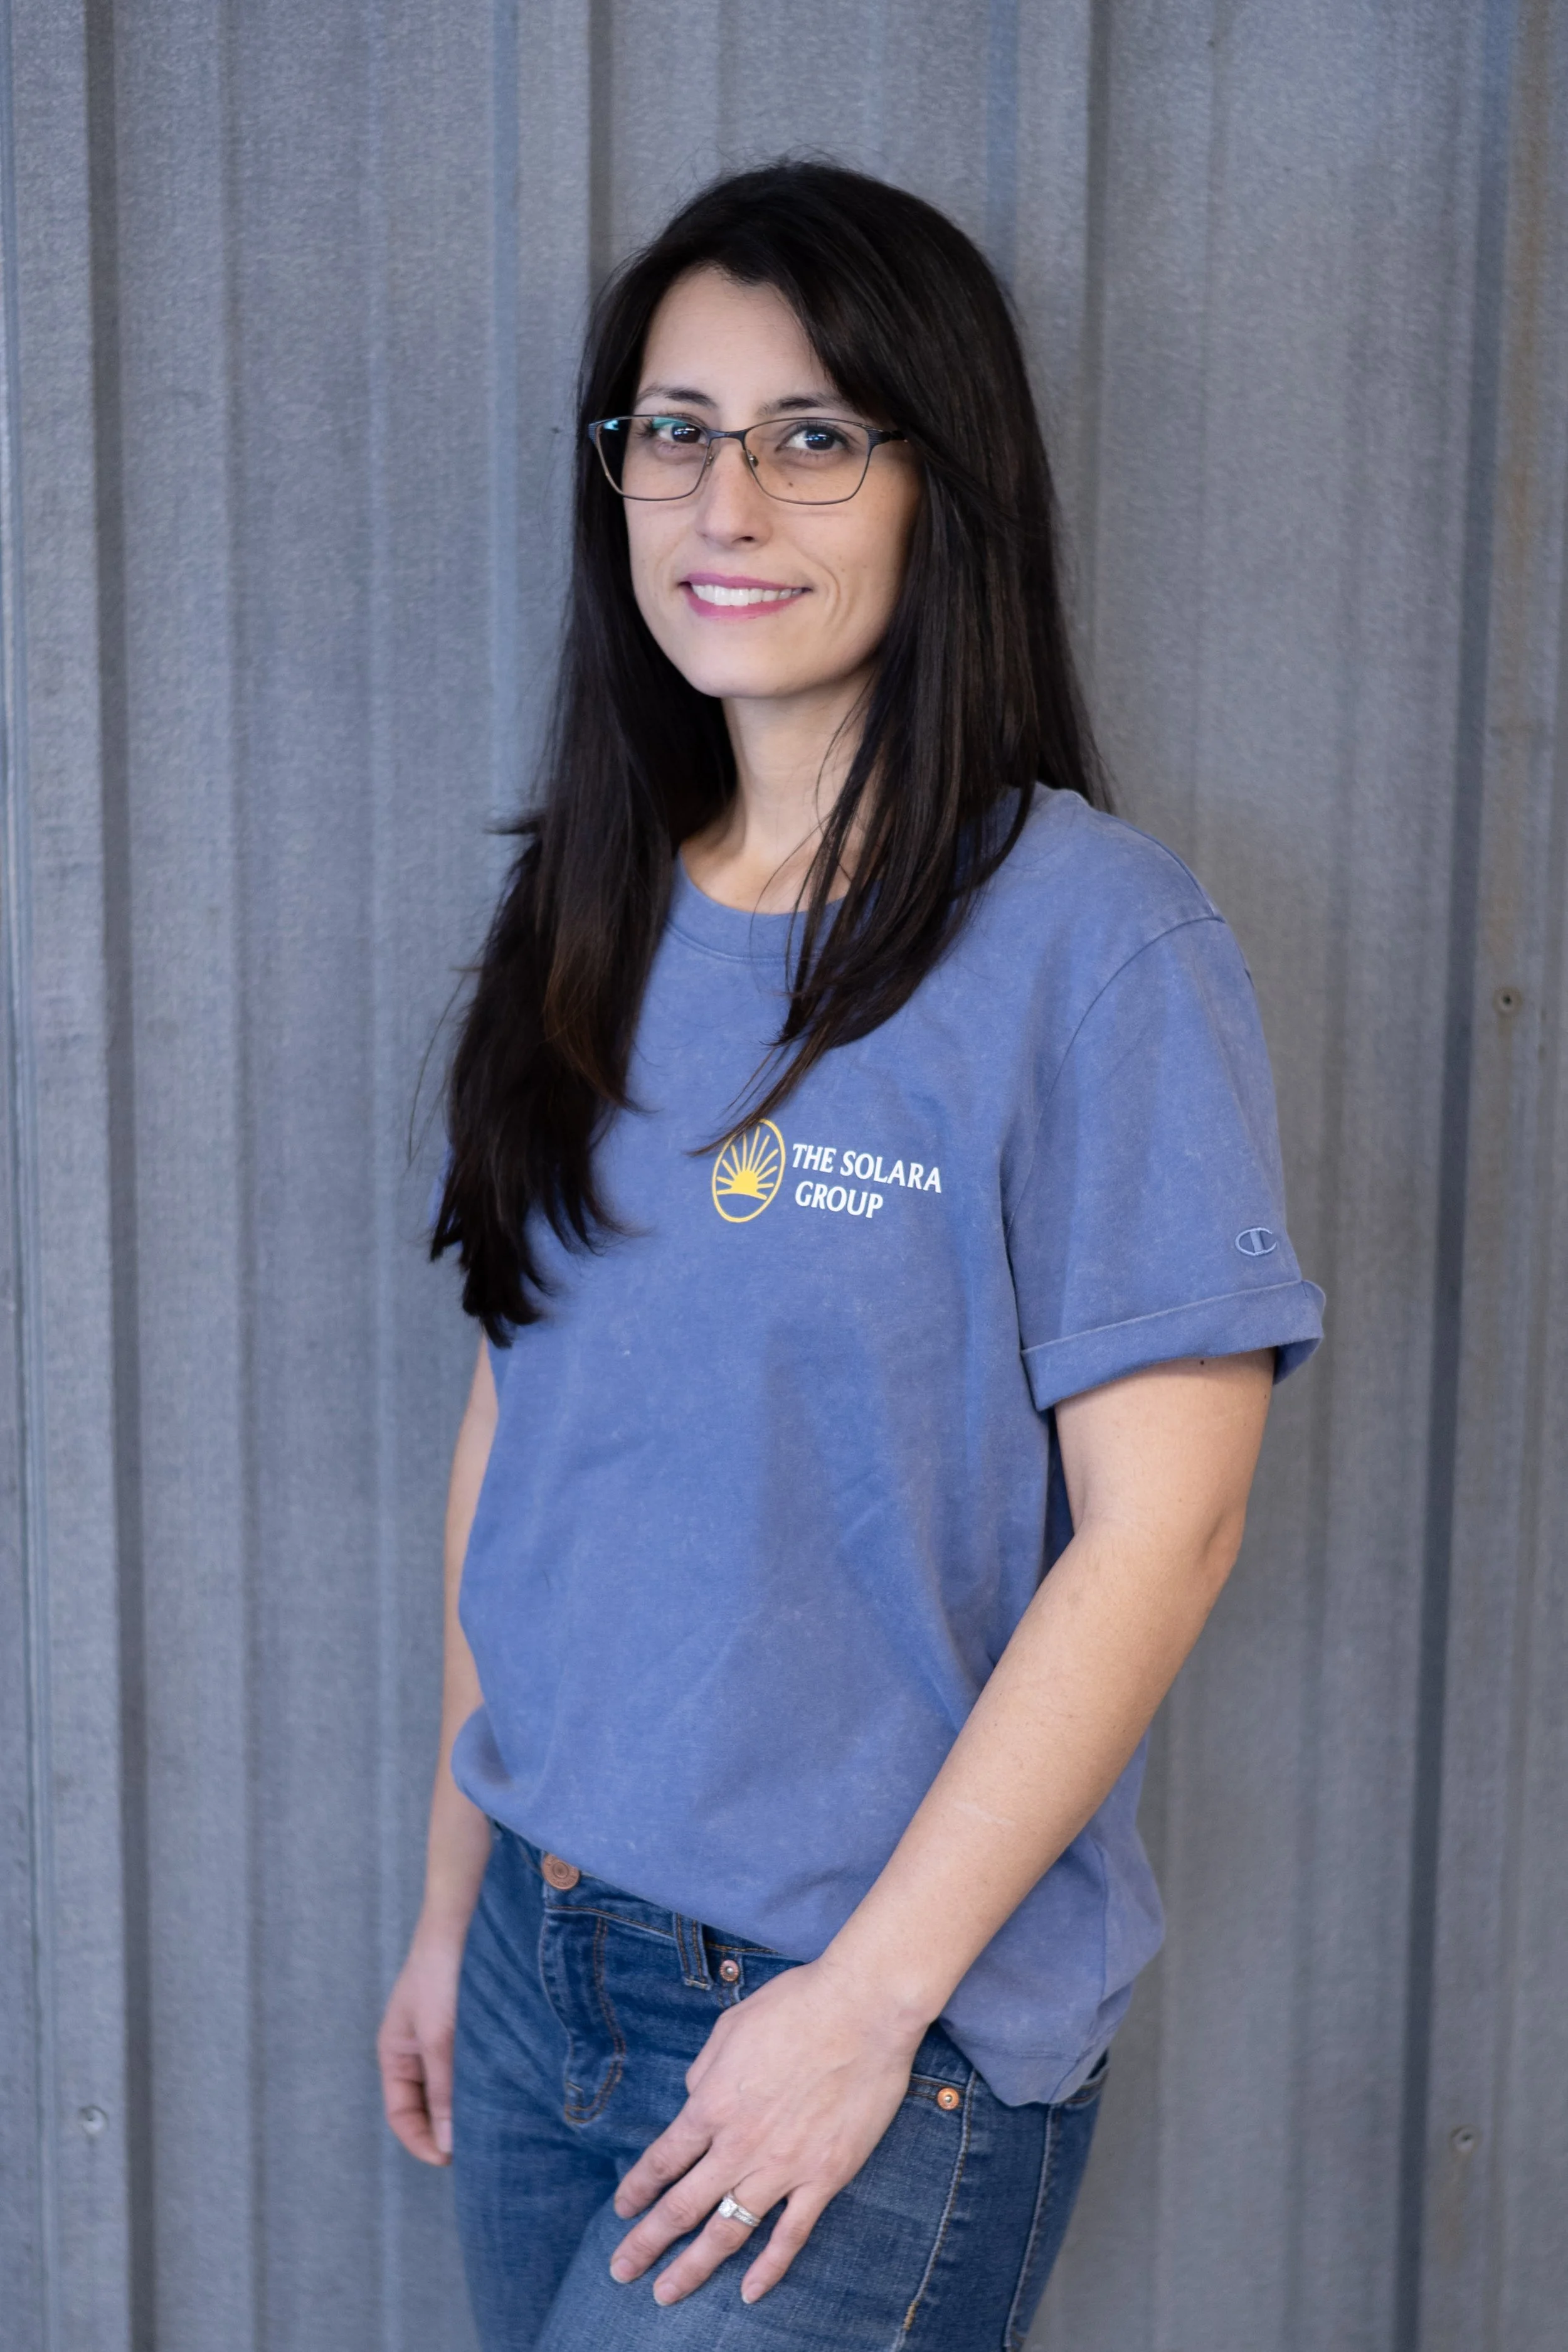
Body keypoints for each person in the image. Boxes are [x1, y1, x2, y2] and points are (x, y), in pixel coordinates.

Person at [376, 161, 1323, 2352]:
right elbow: (527, 1427)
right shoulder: (595, 911)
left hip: (849, 2022)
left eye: (811, 436)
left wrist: (862, 2006)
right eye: (670, 430)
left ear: (939, 484)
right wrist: (455, 1904)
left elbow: (1162, 1536)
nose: (726, 497)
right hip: (542, 1972)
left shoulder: (1094, 941)